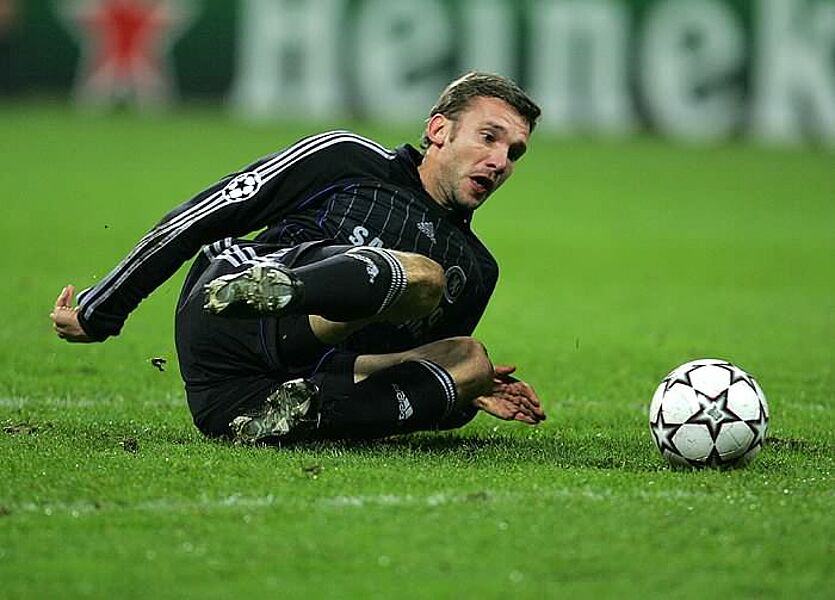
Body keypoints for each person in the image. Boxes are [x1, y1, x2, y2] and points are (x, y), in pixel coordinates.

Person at [51, 72, 547, 444]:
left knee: (471, 359)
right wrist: (102, 309)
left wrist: (467, 395)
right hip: (225, 317)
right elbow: (204, 216)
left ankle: (303, 415)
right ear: (439, 130)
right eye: (489, 137)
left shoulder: (476, 270)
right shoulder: (349, 160)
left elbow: (407, 381)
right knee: (422, 276)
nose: (500, 161)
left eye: (514, 153)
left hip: (247, 397)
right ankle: (278, 289)